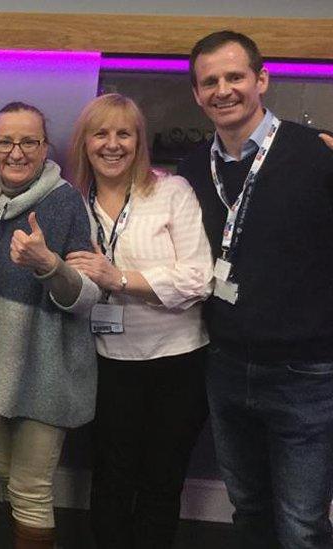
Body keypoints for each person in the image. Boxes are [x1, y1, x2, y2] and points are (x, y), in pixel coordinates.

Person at [178, 30, 333, 549]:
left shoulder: (316, 155)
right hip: (224, 364)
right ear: (198, 95)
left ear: (261, 80)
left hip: (305, 372)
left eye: (235, 76)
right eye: (210, 82)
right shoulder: (194, 168)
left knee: (302, 525)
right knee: (247, 512)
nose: (223, 90)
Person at [0, 101, 100, 549]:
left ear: (45, 146)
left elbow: (87, 298)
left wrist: (49, 265)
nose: (16, 152)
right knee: (7, 474)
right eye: (5, 142)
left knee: (31, 490)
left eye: (28, 141)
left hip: (45, 370)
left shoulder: (66, 202)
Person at [64, 94, 213, 549]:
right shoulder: (69, 201)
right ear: (85, 142)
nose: (112, 144)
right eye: (101, 133)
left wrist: (120, 278)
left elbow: (199, 278)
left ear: (139, 141)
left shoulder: (172, 192)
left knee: (161, 481)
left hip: (177, 360)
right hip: (104, 361)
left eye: (123, 133)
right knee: (110, 478)